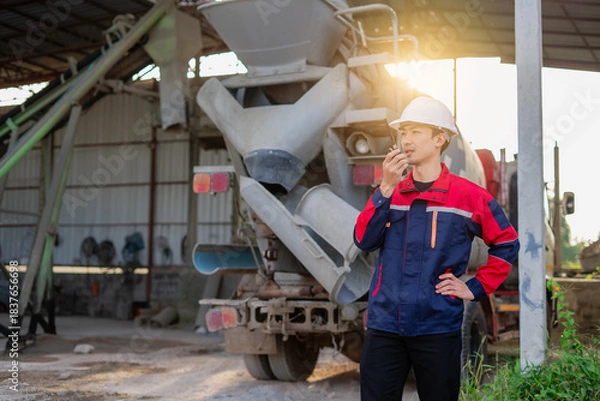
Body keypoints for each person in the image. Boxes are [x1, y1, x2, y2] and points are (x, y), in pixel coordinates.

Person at [354, 96, 520, 401]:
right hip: (385, 327)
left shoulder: (468, 196)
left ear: (439, 139)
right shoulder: (390, 192)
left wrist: (475, 287)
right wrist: (386, 189)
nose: (407, 140)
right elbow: (363, 240)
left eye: (416, 132)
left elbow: (507, 243)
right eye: (404, 132)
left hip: (437, 328)